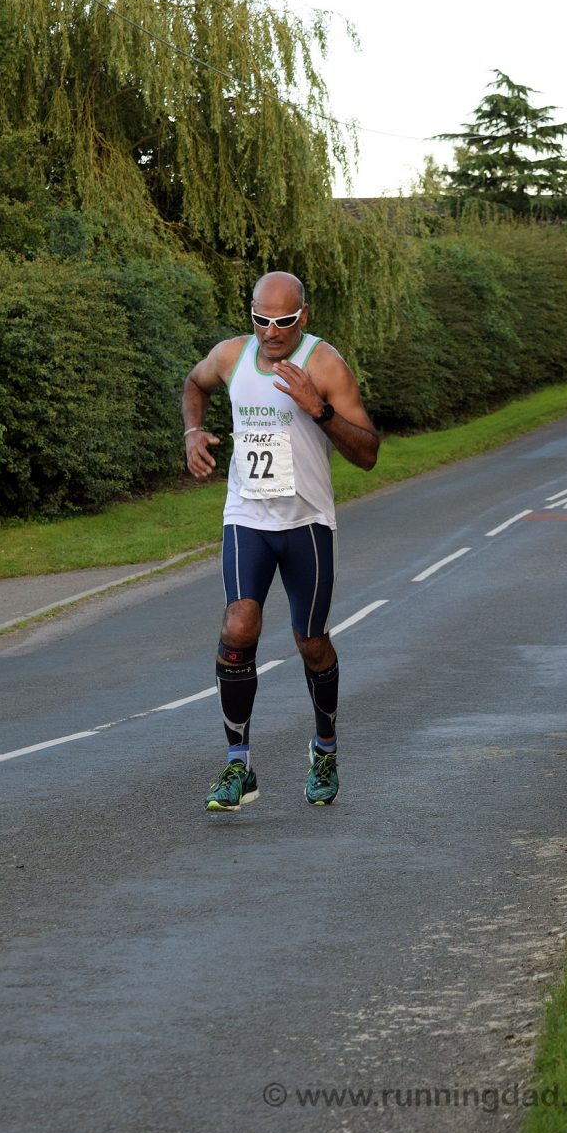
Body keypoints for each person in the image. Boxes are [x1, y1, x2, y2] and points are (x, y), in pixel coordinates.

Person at [182, 270, 379, 811]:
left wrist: (319, 408)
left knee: (311, 642)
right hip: (247, 516)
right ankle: (238, 765)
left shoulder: (324, 364)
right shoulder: (230, 356)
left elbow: (368, 454)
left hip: (307, 523)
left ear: (303, 317)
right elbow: (194, 384)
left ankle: (325, 749)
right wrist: (192, 432)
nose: (272, 331)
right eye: (261, 319)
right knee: (238, 625)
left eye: (284, 321)